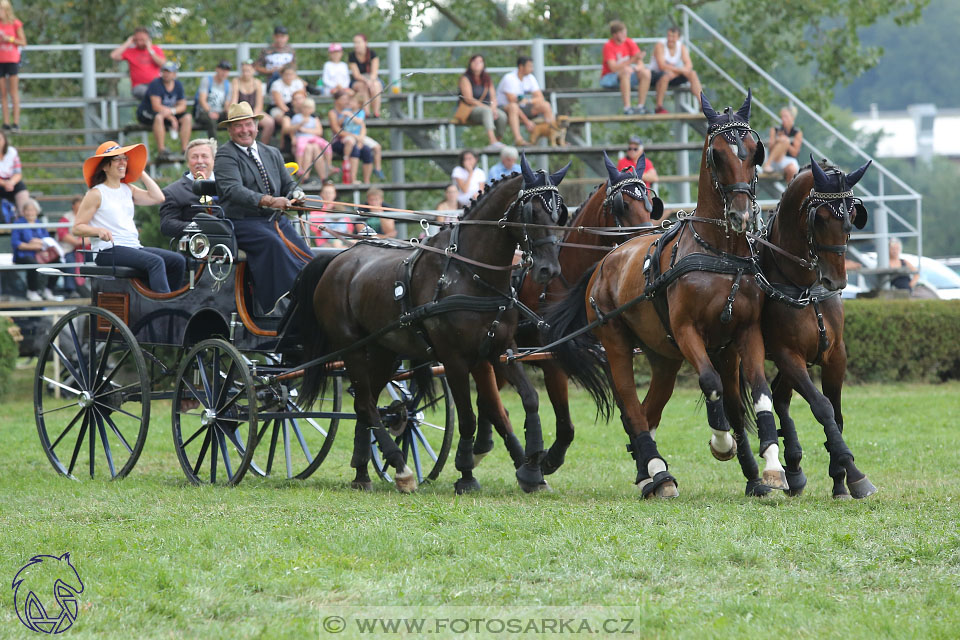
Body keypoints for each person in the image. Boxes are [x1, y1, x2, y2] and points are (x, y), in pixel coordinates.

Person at [214, 101, 312, 313]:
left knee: (305, 257)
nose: (244, 130)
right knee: (274, 245)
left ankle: (309, 293)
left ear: (257, 127)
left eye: (248, 124)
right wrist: (269, 200)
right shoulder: (226, 155)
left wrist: (296, 193)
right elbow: (232, 190)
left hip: (275, 221)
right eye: (238, 126)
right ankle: (288, 304)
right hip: (242, 222)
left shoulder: (272, 152)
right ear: (230, 130)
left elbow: (288, 183)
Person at [73, 141, 185, 294]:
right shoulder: (96, 193)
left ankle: (169, 304)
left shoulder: (128, 189)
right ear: (105, 166)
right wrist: (97, 231)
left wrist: (140, 171)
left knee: (177, 261)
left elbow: (158, 197)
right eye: (117, 159)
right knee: (155, 262)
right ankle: (164, 308)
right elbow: (77, 228)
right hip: (107, 251)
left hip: (132, 247)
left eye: (125, 158)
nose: (123, 162)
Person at [159, 138, 217, 238]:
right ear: (187, 162)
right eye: (194, 157)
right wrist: (200, 228)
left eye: (204, 156)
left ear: (214, 159)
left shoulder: (227, 185)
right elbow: (167, 225)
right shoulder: (172, 191)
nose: (199, 161)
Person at [137, 61, 193, 161]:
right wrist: (171, 118)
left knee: (187, 118)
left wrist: (172, 112)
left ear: (174, 74)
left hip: (167, 113)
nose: (166, 74)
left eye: (169, 72)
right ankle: (161, 150)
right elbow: (156, 106)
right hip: (147, 113)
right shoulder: (156, 84)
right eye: (164, 71)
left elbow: (182, 105)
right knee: (159, 117)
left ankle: (185, 149)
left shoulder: (178, 85)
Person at [496, 56, 555, 146]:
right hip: (505, 109)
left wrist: (528, 101)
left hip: (522, 107)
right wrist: (527, 122)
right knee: (513, 107)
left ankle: (553, 135)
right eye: (530, 66)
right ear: (521, 67)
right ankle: (518, 139)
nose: (532, 69)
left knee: (546, 105)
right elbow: (513, 102)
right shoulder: (509, 78)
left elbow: (540, 97)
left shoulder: (530, 78)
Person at [12, 198, 60, 301]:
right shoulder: (18, 223)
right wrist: (36, 245)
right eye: (27, 210)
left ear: (37, 211)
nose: (30, 213)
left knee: (59, 262)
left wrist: (37, 242)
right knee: (33, 264)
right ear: (23, 212)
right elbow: (17, 243)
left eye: (32, 210)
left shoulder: (40, 223)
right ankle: (32, 291)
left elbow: (47, 240)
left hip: (41, 255)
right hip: (23, 255)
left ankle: (48, 290)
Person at [600, 20, 651, 115]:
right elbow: (613, 68)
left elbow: (640, 64)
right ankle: (627, 107)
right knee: (625, 71)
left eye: (624, 32)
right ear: (614, 35)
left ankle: (641, 106)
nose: (624, 35)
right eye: (621, 33)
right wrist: (632, 61)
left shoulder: (629, 42)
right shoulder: (608, 46)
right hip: (609, 77)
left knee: (646, 72)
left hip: (627, 75)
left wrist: (635, 68)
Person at [456, 54, 506, 148]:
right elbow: (469, 99)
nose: (477, 64)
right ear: (470, 63)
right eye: (475, 61)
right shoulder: (465, 79)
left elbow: (493, 97)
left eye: (480, 62)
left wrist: (494, 108)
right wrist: (488, 108)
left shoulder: (487, 78)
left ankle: (498, 140)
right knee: (487, 111)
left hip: (488, 109)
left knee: (502, 116)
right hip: (471, 109)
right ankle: (492, 141)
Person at [649, 25, 702, 114]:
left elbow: (689, 65)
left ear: (678, 38)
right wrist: (679, 71)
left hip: (672, 74)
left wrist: (675, 73)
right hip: (656, 75)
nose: (670, 39)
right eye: (669, 36)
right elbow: (662, 66)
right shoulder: (660, 45)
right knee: (666, 76)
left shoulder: (681, 47)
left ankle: (703, 105)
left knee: (692, 74)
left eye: (673, 37)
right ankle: (659, 107)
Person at [328, 90, 375, 184]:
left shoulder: (353, 111)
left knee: (367, 150)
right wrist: (354, 136)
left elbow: (362, 125)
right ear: (336, 100)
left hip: (355, 139)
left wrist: (360, 138)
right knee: (355, 149)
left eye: (347, 99)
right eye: (343, 99)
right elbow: (337, 131)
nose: (346, 101)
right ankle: (352, 179)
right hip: (339, 141)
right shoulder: (334, 113)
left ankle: (366, 181)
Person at [228, 59, 276, 145]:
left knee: (269, 123)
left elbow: (259, 104)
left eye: (248, 71)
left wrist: (253, 117)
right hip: (240, 112)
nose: (245, 73)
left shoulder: (257, 83)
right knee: (237, 123)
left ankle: (263, 146)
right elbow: (234, 101)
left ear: (253, 71)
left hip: (254, 111)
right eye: (243, 71)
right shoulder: (236, 81)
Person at [110, 26, 166, 99]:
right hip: (139, 87)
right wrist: (128, 43)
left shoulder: (155, 49)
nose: (139, 43)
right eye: (137, 40)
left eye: (142, 40)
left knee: (166, 92)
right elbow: (113, 55)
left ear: (148, 39)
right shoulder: (131, 51)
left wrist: (150, 50)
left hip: (156, 85)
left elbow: (163, 64)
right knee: (154, 94)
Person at [287, 98, 331, 184]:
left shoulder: (313, 119)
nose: (307, 110)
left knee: (315, 147)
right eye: (305, 107)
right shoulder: (297, 118)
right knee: (308, 148)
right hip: (301, 142)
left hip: (312, 141)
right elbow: (291, 130)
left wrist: (305, 130)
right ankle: (304, 175)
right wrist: (299, 128)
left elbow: (319, 132)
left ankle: (325, 173)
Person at [0, 0, 25, 132]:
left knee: (13, 92)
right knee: (2, 93)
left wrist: (9, 39)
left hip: (12, 60)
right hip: (0, 61)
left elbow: (23, 42)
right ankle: (6, 123)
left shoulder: (15, 23)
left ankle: (16, 123)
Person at [307, 181, 354, 248]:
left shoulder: (339, 207)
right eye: (326, 192)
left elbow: (349, 227)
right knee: (337, 245)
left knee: (356, 243)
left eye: (331, 193)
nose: (328, 195)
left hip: (342, 238)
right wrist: (326, 213)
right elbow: (314, 229)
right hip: (324, 241)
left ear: (335, 194)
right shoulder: (316, 209)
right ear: (321, 194)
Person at [56, 196, 87, 296]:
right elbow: (62, 234)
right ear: (73, 206)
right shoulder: (67, 217)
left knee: (92, 261)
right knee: (70, 261)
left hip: (85, 248)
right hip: (69, 248)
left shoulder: (89, 217)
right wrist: (76, 242)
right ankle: (71, 289)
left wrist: (83, 242)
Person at [764, 106, 803, 182]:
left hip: (788, 159)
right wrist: (778, 140)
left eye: (786, 117)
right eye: (782, 117)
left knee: (792, 170)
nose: (783, 119)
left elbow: (795, 153)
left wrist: (786, 143)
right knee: (784, 140)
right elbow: (771, 148)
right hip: (774, 159)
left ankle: (789, 192)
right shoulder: (775, 129)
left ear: (792, 118)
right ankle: (767, 165)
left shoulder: (797, 132)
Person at [348, 34, 383, 118]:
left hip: (372, 79)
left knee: (376, 85)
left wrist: (371, 81)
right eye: (355, 43)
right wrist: (367, 81)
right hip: (359, 81)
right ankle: (366, 113)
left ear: (365, 43)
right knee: (363, 86)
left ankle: (376, 112)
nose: (356, 45)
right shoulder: (352, 56)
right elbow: (356, 75)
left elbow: (374, 72)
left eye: (359, 42)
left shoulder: (372, 54)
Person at [195, 60, 232, 138]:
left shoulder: (228, 85)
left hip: (219, 113)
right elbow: (202, 100)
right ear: (217, 69)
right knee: (211, 121)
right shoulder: (207, 80)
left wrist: (228, 113)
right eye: (222, 69)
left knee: (234, 119)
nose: (224, 73)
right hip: (204, 112)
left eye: (226, 71)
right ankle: (214, 146)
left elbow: (227, 105)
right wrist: (210, 112)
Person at [0, 128, 28, 213]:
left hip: (11, 183)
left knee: (21, 187)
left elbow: (18, 173)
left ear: (4, 140)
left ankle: (24, 218)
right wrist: (4, 184)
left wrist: (11, 182)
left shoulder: (11, 152)